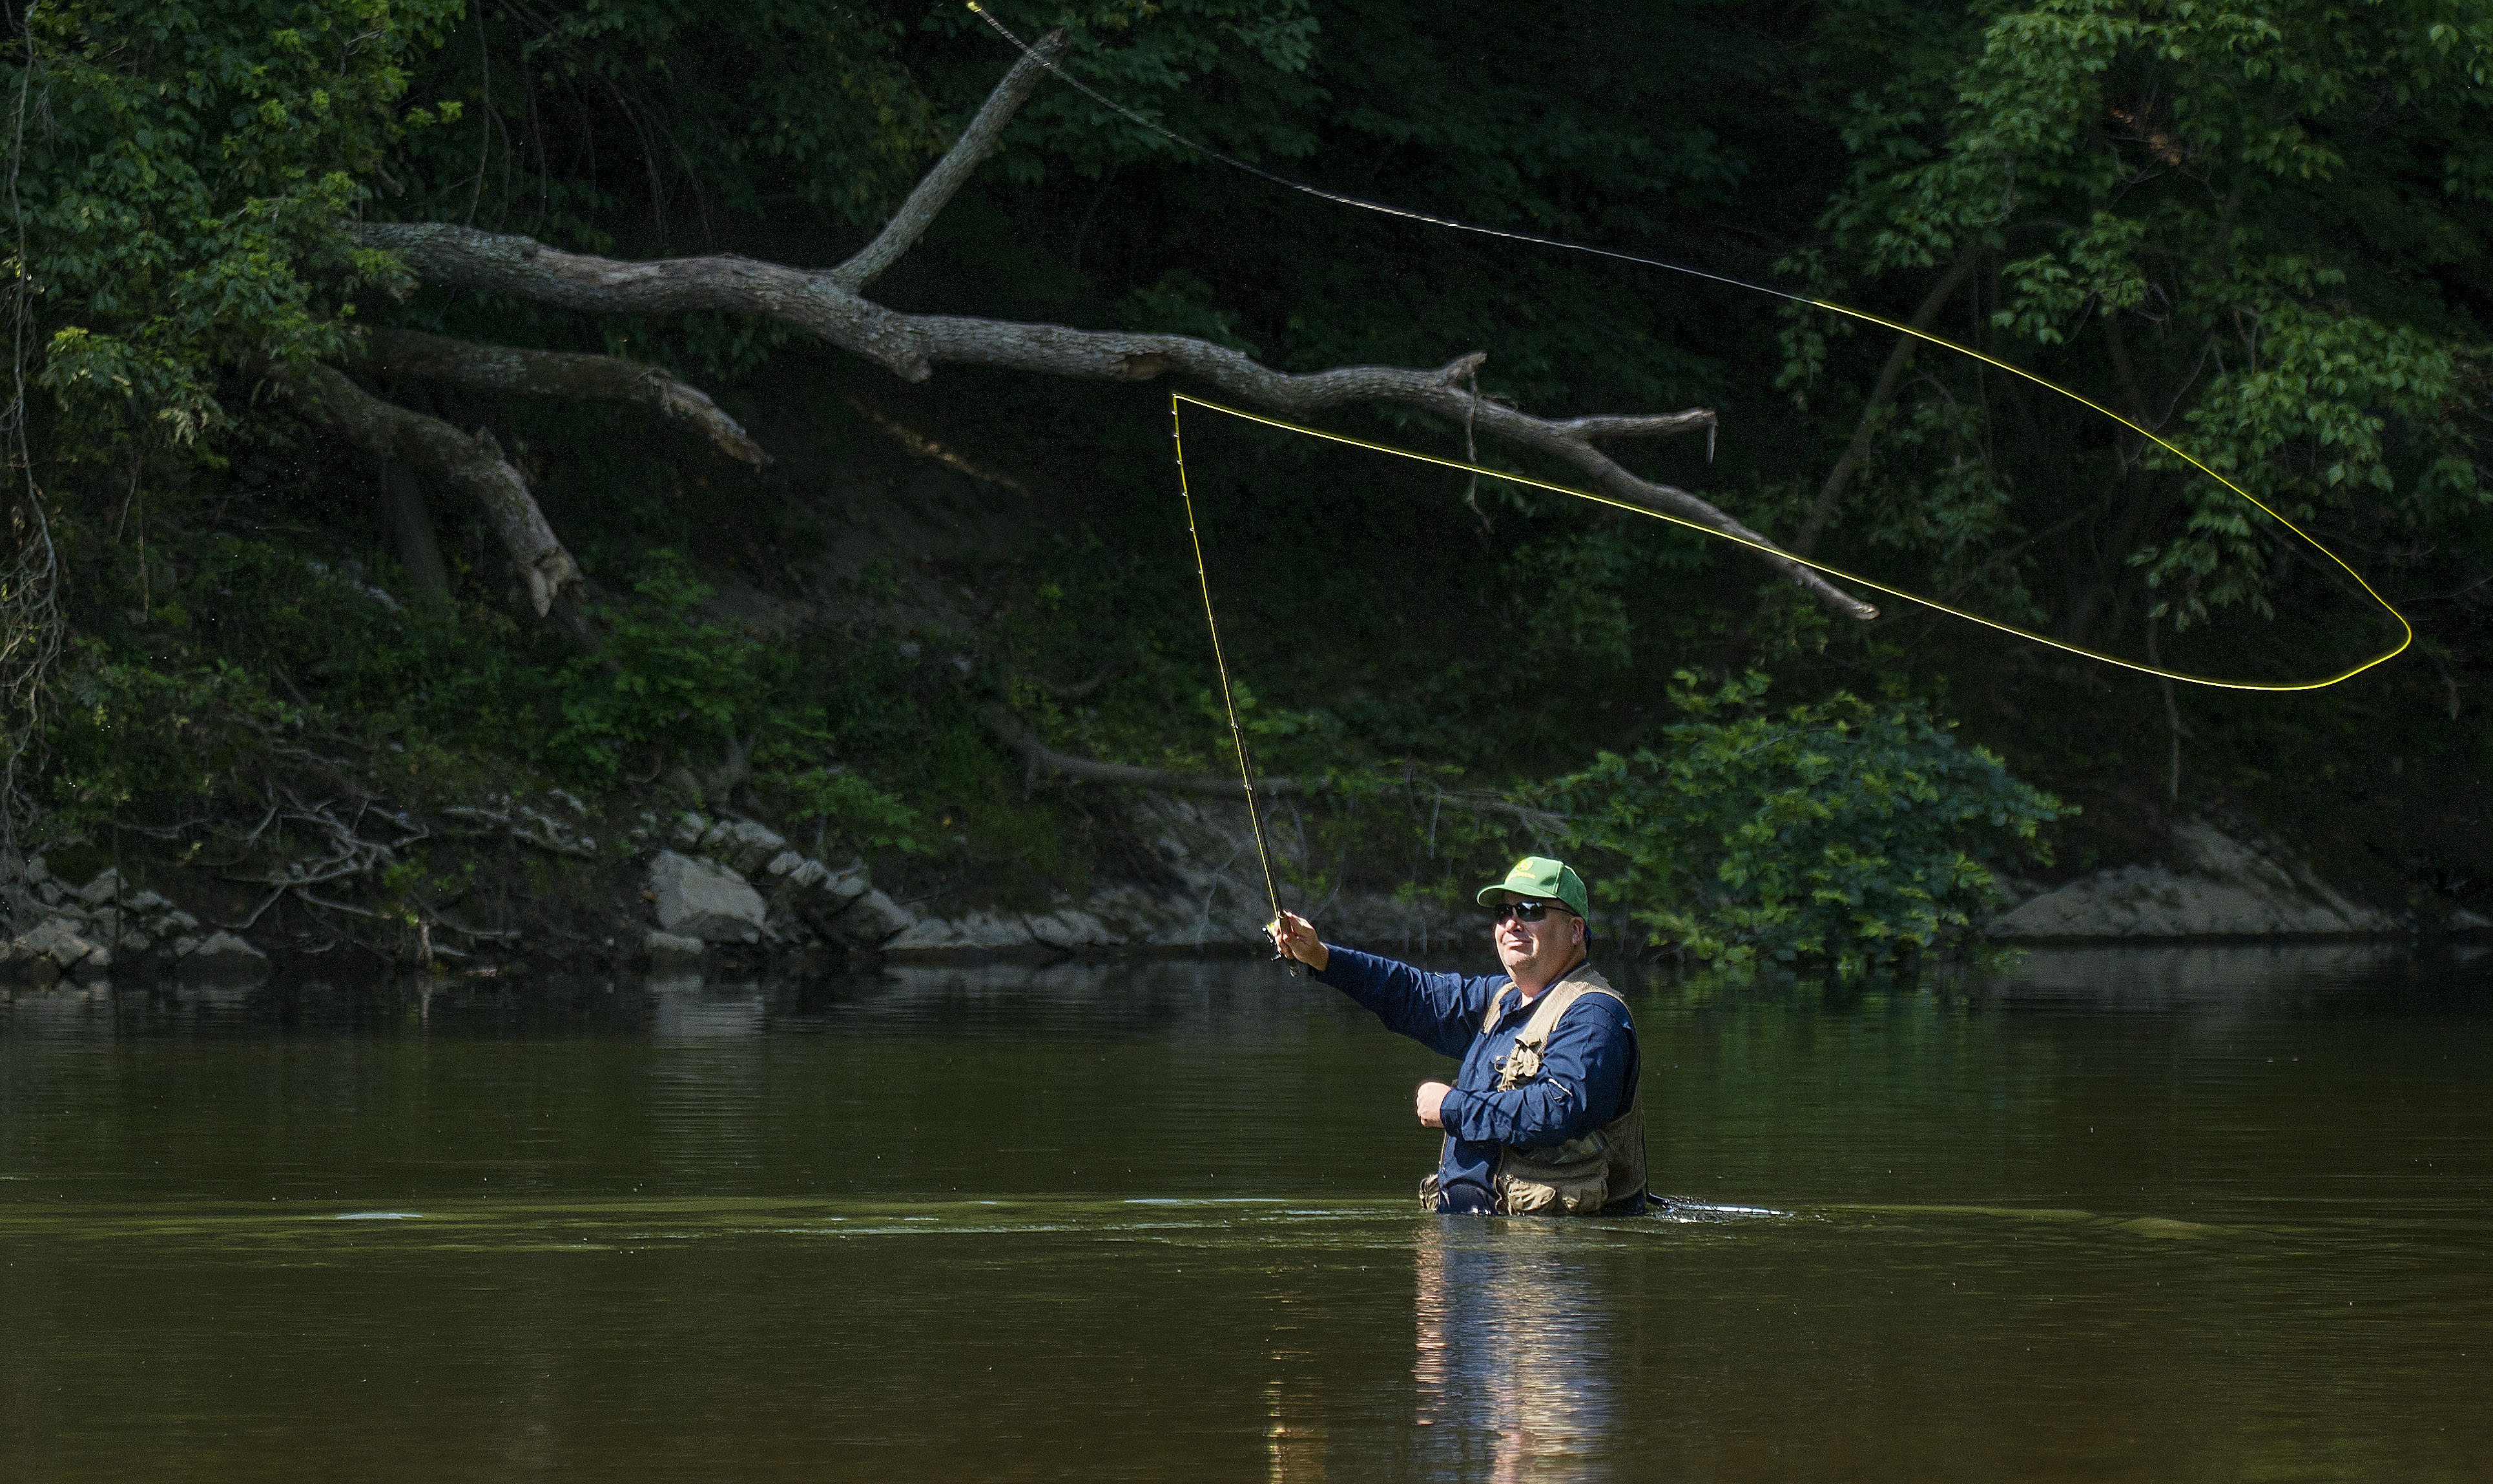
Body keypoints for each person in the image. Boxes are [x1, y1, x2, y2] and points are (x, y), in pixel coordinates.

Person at [1268, 856, 1646, 1216]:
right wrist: (1320, 956)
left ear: (1575, 930)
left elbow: (1561, 1108)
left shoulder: (1594, 1016)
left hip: (1547, 1262)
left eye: (1530, 910)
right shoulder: (1497, 1001)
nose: (1512, 924)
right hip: (1480, 1245)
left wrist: (1453, 1107)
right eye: (1504, 913)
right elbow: (1411, 994)